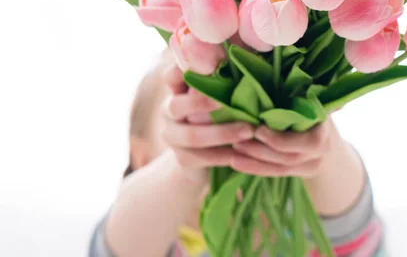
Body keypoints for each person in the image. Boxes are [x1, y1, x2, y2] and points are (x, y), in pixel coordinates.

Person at [89, 51, 385, 256]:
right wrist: (182, 169)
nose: (238, 118)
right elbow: (117, 248)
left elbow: (351, 224)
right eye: (196, 109)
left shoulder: (312, 237)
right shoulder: (159, 243)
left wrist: (325, 152)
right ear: (144, 161)